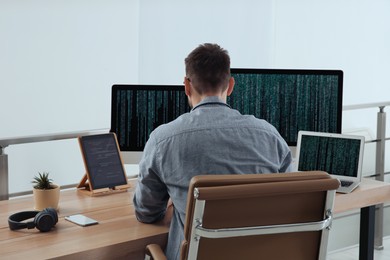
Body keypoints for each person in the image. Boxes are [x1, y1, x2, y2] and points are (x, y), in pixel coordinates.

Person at [133, 43, 292, 260]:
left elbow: (146, 213)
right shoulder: (269, 135)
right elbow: (287, 202)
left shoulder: (163, 139)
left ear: (187, 86)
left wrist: (175, 198)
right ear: (231, 85)